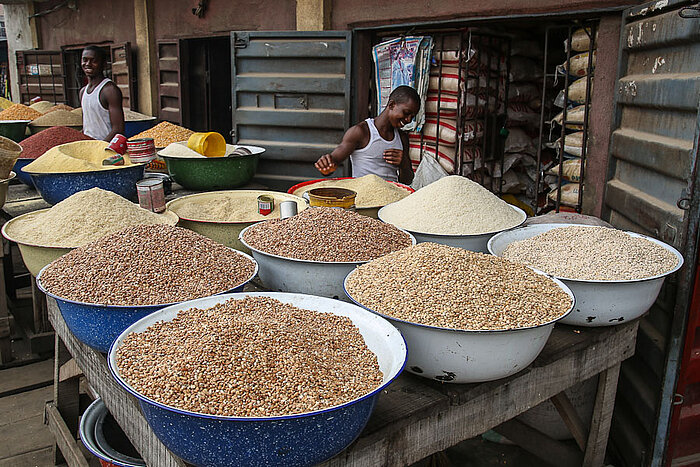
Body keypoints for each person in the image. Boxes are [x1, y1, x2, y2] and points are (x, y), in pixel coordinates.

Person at [314, 85, 420, 184]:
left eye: (412, 116)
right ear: (391, 105)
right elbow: (333, 162)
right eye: (406, 113)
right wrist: (326, 165)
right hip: (364, 199)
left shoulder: (402, 138)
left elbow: (407, 181)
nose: (408, 120)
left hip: (392, 200)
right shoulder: (361, 132)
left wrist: (404, 164)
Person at [79, 45, 125, 141]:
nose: (88, 64)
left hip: (105, 148)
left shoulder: (110, 90)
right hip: (89, 147)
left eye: (93, 61)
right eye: (85, 60)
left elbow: (118, 129)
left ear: (104, 64)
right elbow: (88, 125)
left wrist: (100, 147)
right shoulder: (83, 91)